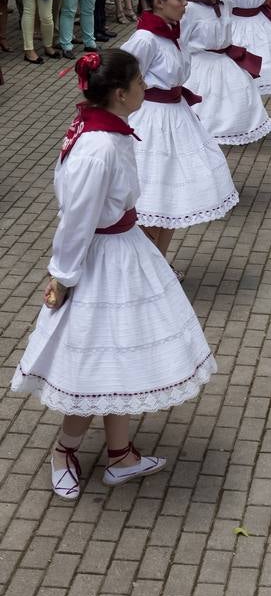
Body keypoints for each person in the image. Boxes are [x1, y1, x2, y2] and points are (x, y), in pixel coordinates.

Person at [11, 49, 216, 498]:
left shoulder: (104, 129)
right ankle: (65, 450)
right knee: (95, 360)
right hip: (104, 258)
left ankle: (120, 454)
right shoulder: (100, 147)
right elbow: (77, 219)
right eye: (141, 83)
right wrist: (62, 278)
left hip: (123, 250)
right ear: (120, 94)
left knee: (120, 355)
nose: (147, 87)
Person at [120, 0, 239, 259]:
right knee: (152, 202)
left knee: (170, 205)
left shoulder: (172, 32)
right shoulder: (145, 38)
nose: (185, 3)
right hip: (152, 123)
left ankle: (160, 264)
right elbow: (119, 76)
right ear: (158, 3)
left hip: (177, 117)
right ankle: (149, 266)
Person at [181, 0, 271, 144]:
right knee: (208, 101)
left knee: (238, 94)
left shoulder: (226, 3)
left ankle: (237, 127)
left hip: (225, 60)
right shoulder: (189, 9)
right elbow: (181, 41)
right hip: (202, 63)